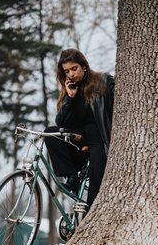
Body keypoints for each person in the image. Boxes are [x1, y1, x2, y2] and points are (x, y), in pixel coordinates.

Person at [45, 48, 115, 208]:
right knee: (50, 133)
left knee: (94, 196)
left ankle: (90, 219)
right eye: (67, 71)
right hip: (80, 140)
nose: (71, 74)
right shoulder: (71, 90)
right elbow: (61, 122)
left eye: (74, 68)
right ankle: (71, 176)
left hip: (99, 141)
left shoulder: (103, 81)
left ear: (84, 65)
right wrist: (69, 97)